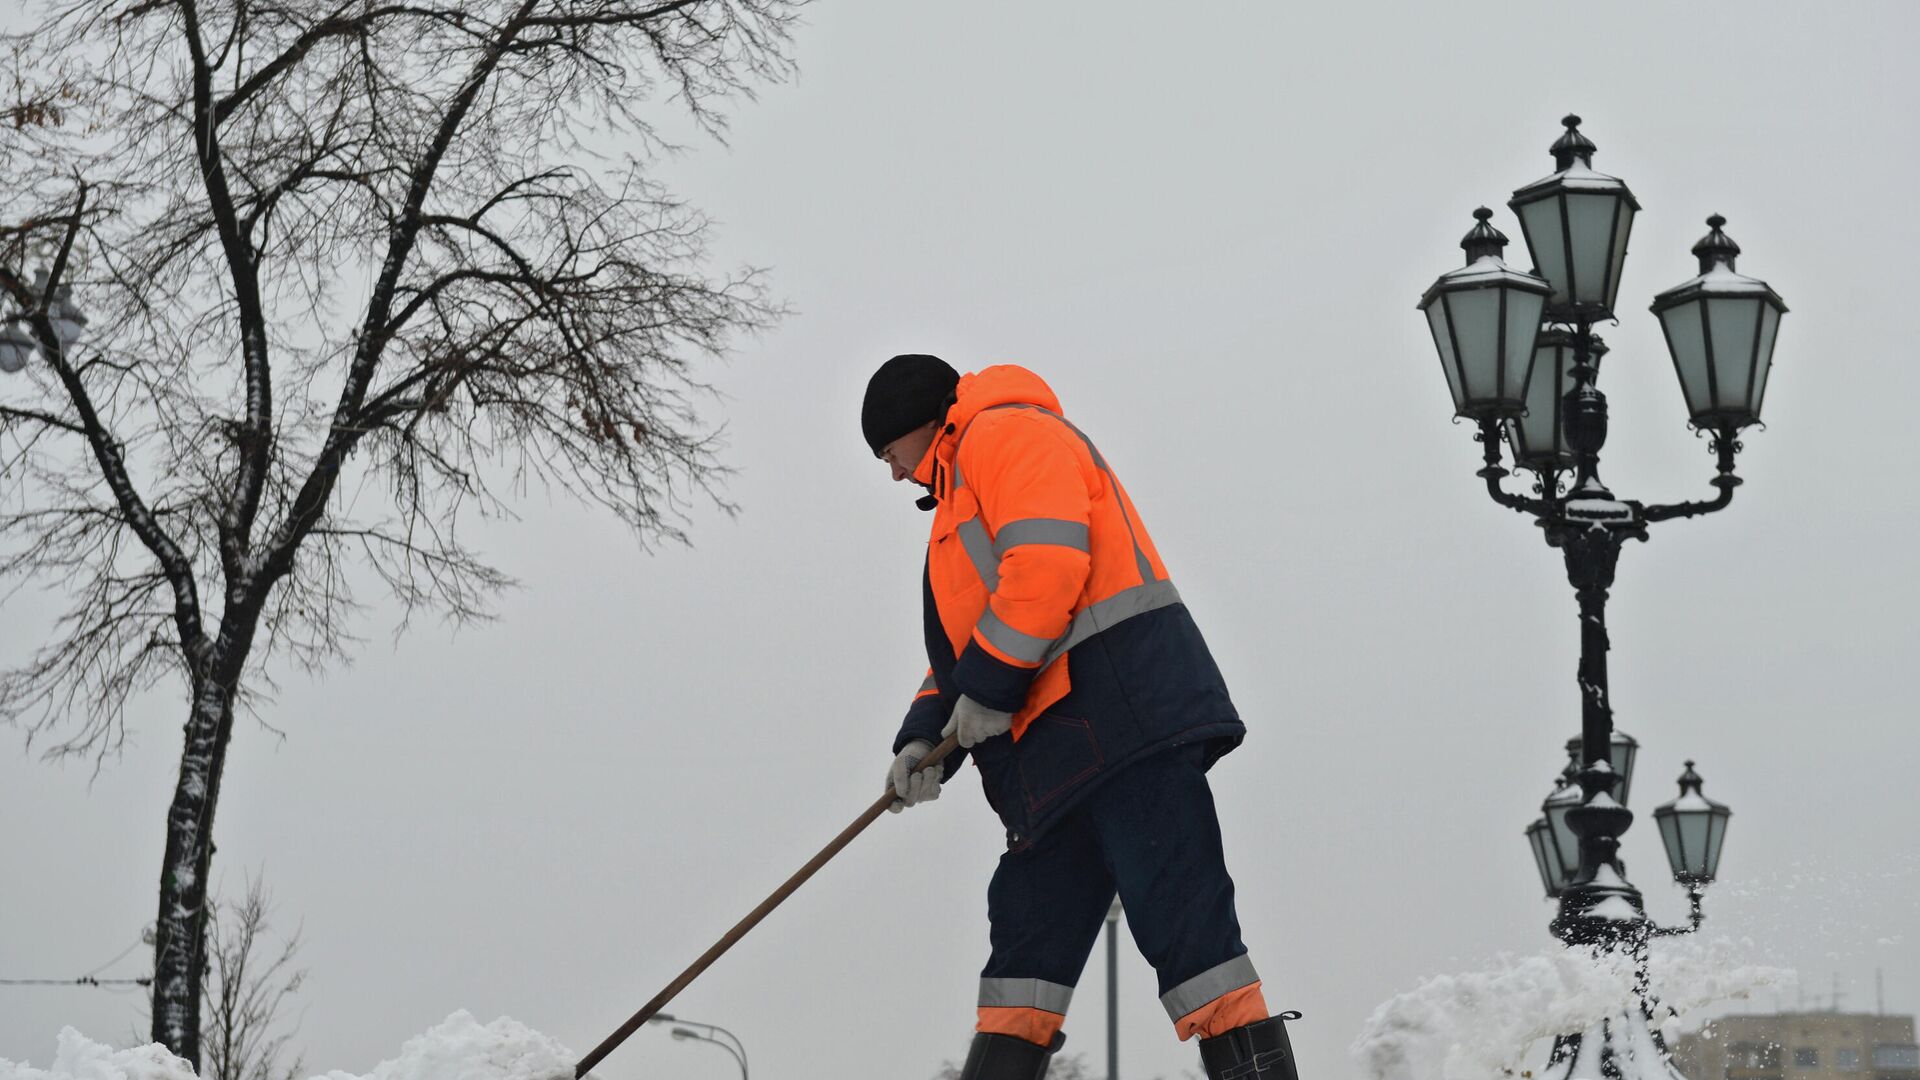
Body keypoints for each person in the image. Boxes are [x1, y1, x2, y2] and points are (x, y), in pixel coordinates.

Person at [863, 354, 1300, 1080]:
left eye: (889, 452)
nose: (893, 472)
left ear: (917, 424)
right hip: (1057, 759)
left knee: (1191, 939)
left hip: (1122, 727)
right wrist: (921, 741)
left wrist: (992, 687)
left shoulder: (1005, 436)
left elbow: (1045, 567)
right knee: (1023, 966)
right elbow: (967, 649)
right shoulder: (957, 501)